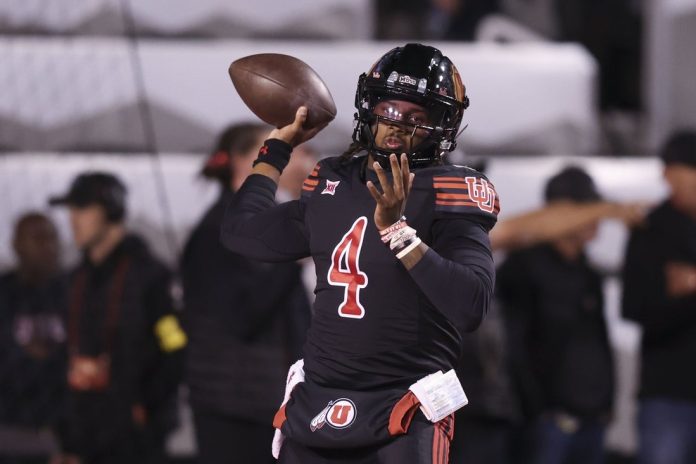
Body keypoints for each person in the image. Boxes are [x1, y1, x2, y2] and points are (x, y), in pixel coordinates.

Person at [221, 43, 498, 463]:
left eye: (414, 117)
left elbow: (471, 305)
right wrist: (276, 149)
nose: (397, 126)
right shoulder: (334, 181)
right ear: (369, 108)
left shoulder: (448, 193)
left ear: (442, 124)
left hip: (405, 406)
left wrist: (397, 232)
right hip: (317, 400)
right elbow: (243, 233)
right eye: (389, 109)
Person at [180, 123, 311, 464]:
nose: (301, 160)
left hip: (268, 407)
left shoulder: (264, 227)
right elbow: (243, 315)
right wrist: (292, 259)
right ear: (243, 162)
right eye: (283, 148)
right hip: (234, 415)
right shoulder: (218, 231)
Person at [48, 172, 186, 464]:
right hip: (81, 435)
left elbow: (175, 345)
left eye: (83, 208)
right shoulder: (74, 280)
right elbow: (61, 355)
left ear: (111, 210)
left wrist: (146, 407)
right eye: (71, 210)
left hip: (136, 439)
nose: (73, 219)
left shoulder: (151, 278)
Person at [497, 166, 615, 464]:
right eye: (585, 209)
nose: (595, 217)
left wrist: (606, 403)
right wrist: (536, 409)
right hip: (546, 423)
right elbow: (512, 347)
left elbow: (599, 341)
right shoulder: (522, 268)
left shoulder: (588, 272)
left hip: (592, 418)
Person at [622, 130, 696, 464]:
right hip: (669, 393)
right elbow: (634, 307)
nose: (668, 179)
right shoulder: (652, 229)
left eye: (677, 171)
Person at [0, 213, 67, 463]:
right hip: (9, 428)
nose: (48, 246)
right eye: (37, 238)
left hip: (64, 431)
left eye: (52, 238)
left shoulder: (75, 291)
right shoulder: (4, 293)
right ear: (17, 245)